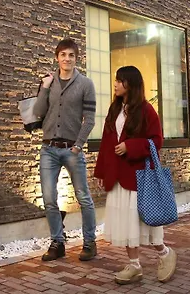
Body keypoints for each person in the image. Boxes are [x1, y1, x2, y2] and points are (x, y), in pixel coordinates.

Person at [93, 66, 177, 284]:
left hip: (138, 177)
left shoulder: (147, 110)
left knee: (143, 220)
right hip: (117, 175)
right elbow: (106, 142)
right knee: (126, 223)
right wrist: (101, 171)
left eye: (120, 80)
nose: (115, 84)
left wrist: (130, 146)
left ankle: (165, 253)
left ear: (131, 84)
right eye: (115, 80)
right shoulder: (115, 109)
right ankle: (134, 265)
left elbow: (156, 141)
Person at [32, 38, 97, 261]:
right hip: (48, 149)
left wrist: (78, 145)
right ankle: (57, 243)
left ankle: (89, 243)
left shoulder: (86, 84)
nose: (67, 59)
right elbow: (38, 112)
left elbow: (89, 119)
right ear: (57, 57)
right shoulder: (49, 82)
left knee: (83, 197)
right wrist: (45, 87)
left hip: (72, 149)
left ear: (76, 58)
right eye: (63, 55)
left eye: (71, 55)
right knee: (49, 198)